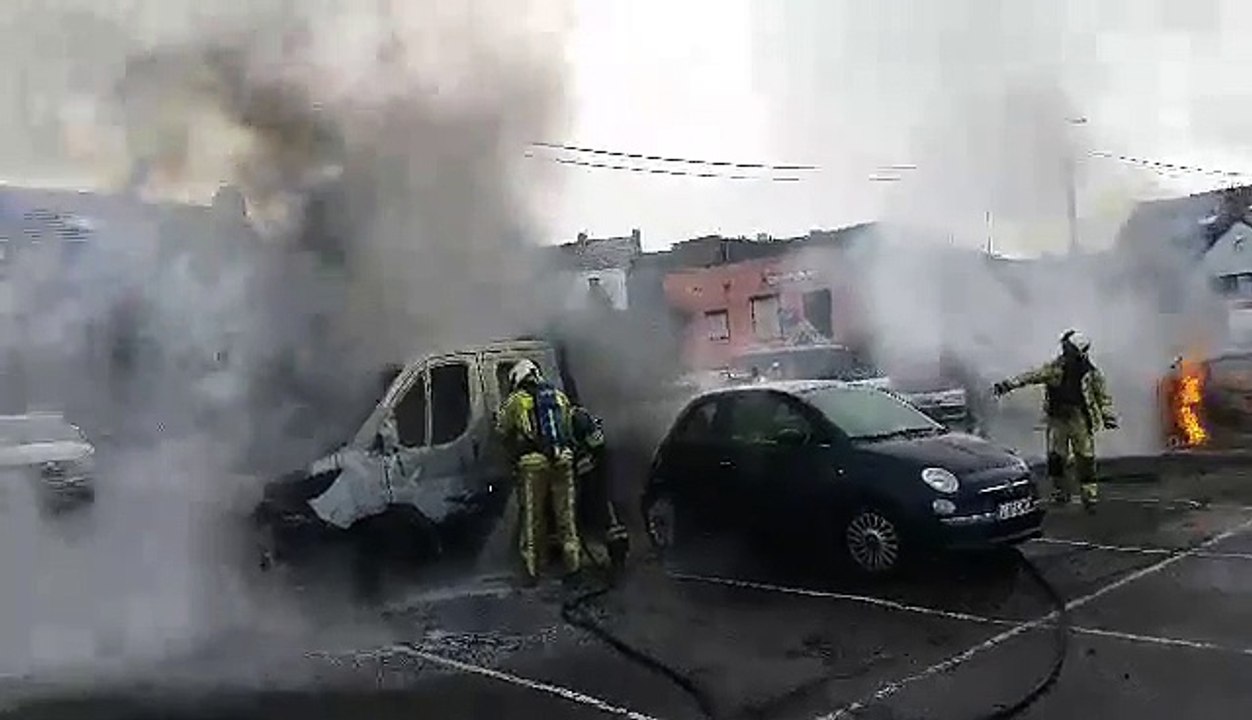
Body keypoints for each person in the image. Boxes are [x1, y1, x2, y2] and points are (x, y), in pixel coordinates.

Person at [992, 330, 1118, 512]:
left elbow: (1102, 396)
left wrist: (1107, 416)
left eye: (1068, 348)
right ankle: (1061, 493)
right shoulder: (1056, 368)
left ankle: (1089, 497)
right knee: (1056, 458)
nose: (1064, 351)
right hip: (1058, 419)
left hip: (1079, 419)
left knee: (1085, 459)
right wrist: (1009, 384)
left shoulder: (1090, 373)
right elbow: (1032, 376)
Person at [495, 359, 581, 584]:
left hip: (533, 464)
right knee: (566, 518)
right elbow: (569, 429)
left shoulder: (516, 401)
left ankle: (531, 571)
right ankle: (574, 567)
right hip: (563, 460)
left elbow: (501, 430)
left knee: (532, 519)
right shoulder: (559, 397)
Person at [570, 405, 630, 574]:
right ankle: (618, 556)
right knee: (608, 509)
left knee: (605, 510)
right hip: (596, 466)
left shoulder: (577, 418)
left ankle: (617, 558)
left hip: (594, 469)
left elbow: (596, 447)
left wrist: (585, 462)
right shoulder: (581, 416)